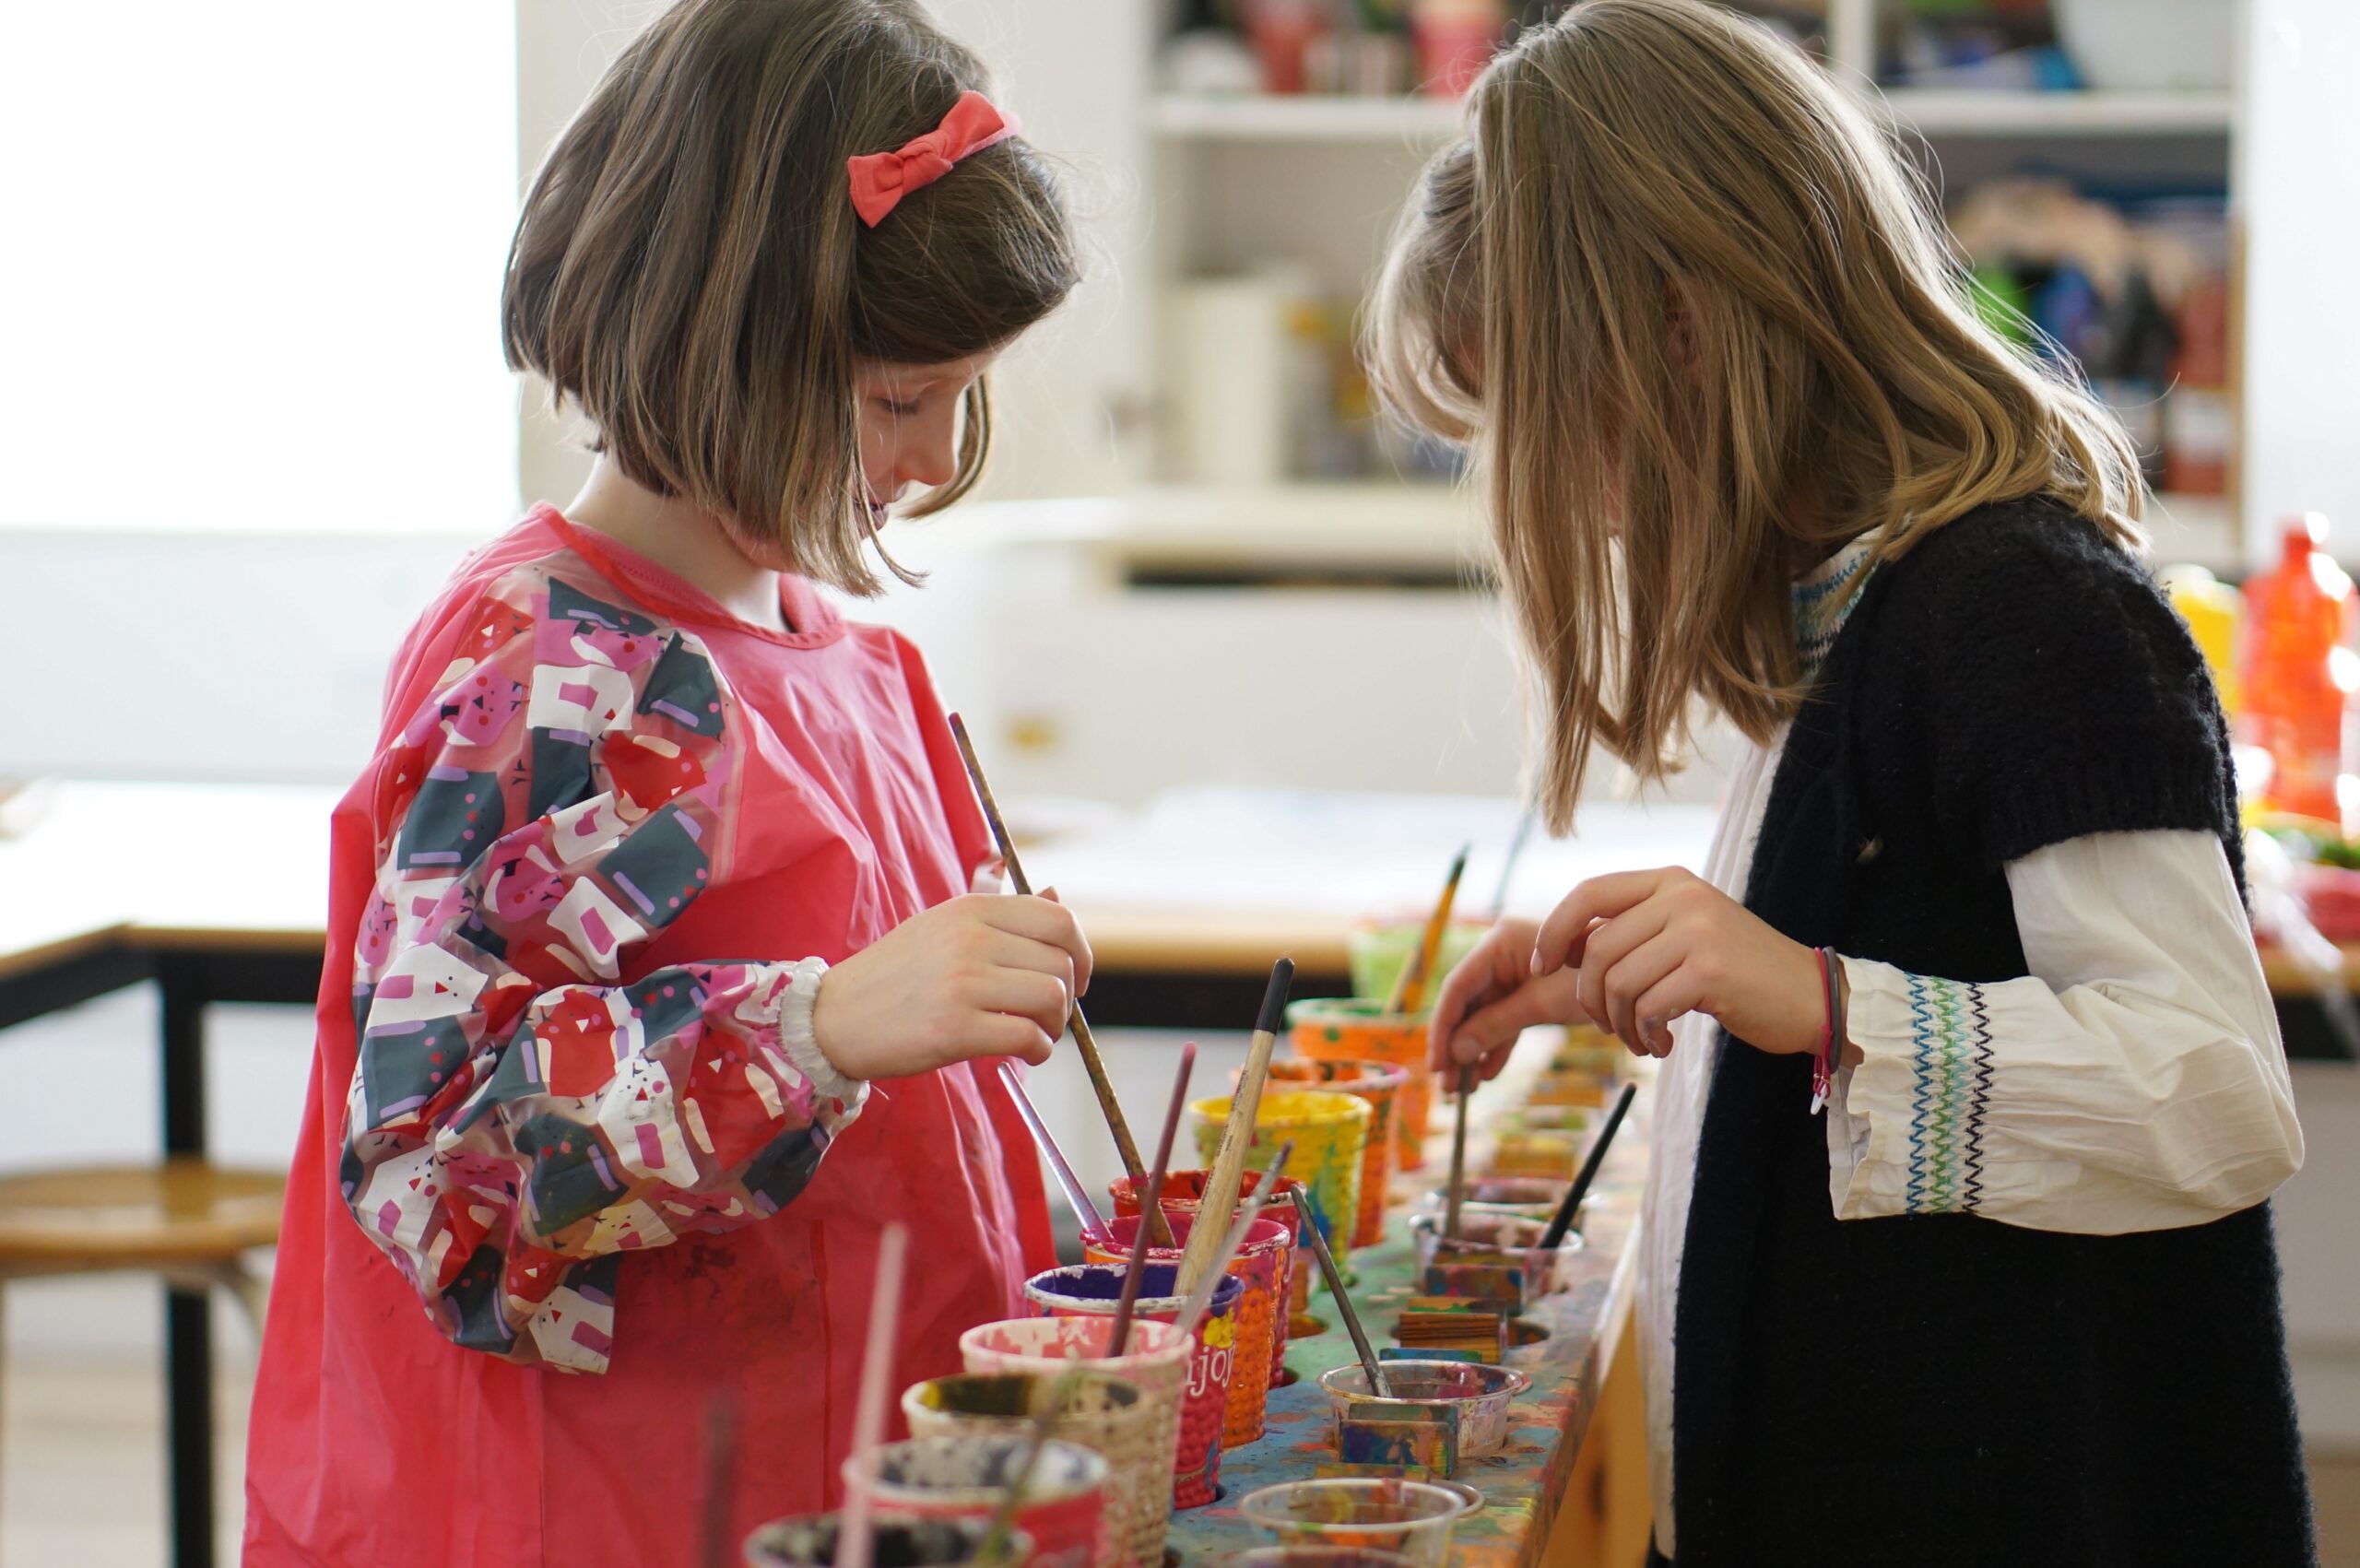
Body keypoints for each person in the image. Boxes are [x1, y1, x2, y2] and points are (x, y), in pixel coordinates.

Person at [1370, 3, 2314, 1562]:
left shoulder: (2032, 613)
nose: (1570, 498)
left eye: (1549, 419)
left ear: (1683, 328)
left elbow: (2215, 1090)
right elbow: (1880, 978)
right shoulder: (1846, 612)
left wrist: (1821, 996)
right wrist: (1657, 978)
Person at [243, 5, 1089, 1561]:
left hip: (849, 1473)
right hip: (625, 1508)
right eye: (902, 398)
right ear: (728, 346)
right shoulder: (558, 676)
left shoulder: (849, 661)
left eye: (965, 392)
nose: (935, 452)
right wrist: (821, 1023)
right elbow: (438, 1163)